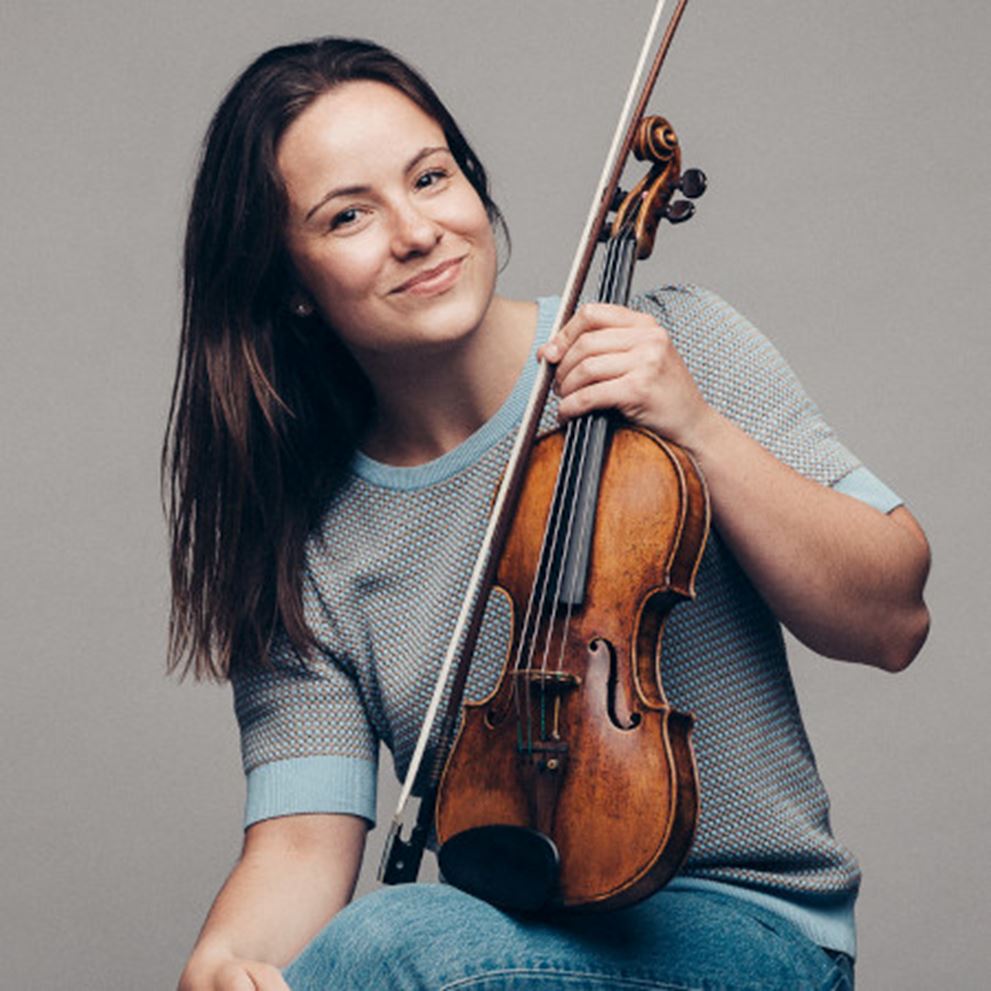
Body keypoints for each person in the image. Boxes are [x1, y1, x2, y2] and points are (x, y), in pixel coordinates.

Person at [167, 37, 930, 991]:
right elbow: (297, 843)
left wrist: (696, 427)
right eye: (349, 214)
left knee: (390, 946)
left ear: (473, 187)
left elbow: (892, 617)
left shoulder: (674, 344)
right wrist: (227, 963)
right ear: (291, 286)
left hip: (750, 934)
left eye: (431, 178)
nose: (416, 231)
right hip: (502, 950)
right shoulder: (312, 548)